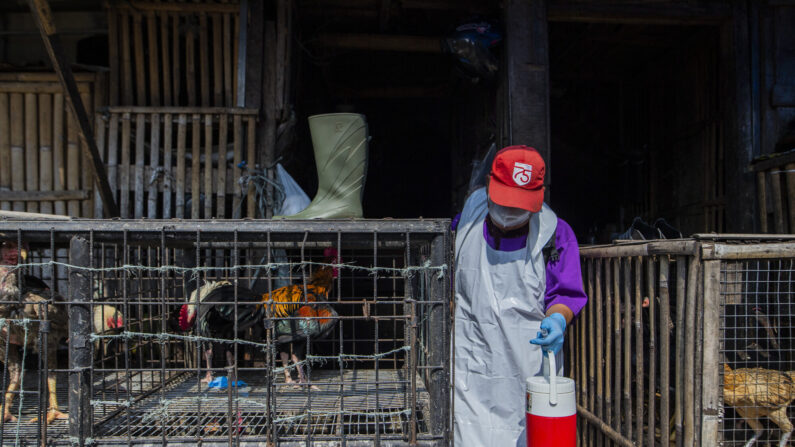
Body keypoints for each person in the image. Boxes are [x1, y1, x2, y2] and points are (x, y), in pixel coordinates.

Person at [453, 145, 587, 446]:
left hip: (527, 363)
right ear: (490, 187)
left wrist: (558, 320)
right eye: (505, 202)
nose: (510, 213)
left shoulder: (556, 235)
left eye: (520, 205)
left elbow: (565, 293)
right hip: (472, 363)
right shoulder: (466, 224)